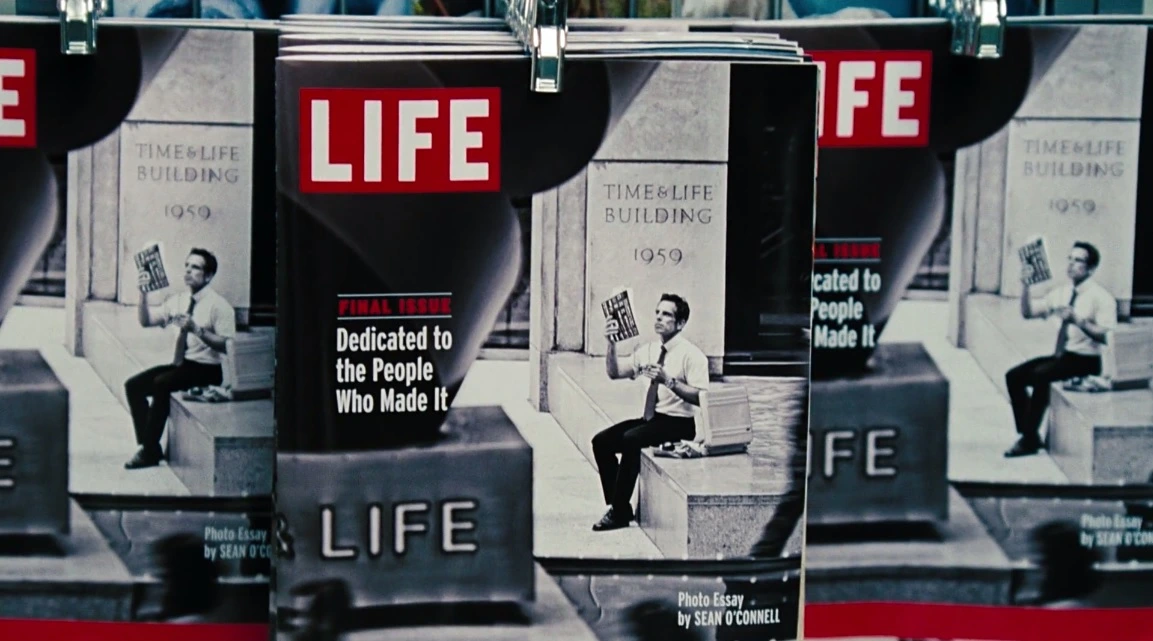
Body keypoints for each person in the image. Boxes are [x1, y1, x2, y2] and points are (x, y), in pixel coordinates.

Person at [591, 293, 709, 531]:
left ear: (680, 323)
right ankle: (621, 507)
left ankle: (618, 512)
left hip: (680, 423)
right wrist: (611, 344)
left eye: (666, 314)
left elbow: (702, 397)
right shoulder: (648, 350)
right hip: (652, 419)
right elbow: (615, 373)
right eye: (657, 312)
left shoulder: (692, 355)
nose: (659, 318)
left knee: (632, 439)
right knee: (601, 441)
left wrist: (670, 381)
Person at [124, 248, 236, 469]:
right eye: (187, 266)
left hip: (207, 369)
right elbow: (146, 321)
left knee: (162, 383)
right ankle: (151, 447)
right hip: (183, 365)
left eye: (195, 267)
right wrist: (143, 294)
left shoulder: (220, 306)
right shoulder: (178, 300)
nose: (188, 271)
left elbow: (227, 345)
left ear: (208, 276)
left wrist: (198, 330)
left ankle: (148, 450)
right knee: (133, 386)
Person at [1005, 241, 1116, 458]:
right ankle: (1030, 433)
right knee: (1014, 376)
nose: (1071, 264)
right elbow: (1028, 313)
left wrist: (1078, 321)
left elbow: (1107, 336)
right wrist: (1025, 286)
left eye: (1078, 260)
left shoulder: (1101, 298)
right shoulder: (1062, 293)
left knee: (1042, 376)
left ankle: (1028, 438)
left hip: (1087, 360)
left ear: (1091, 268)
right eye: (1070, 258)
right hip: (1063, 356)